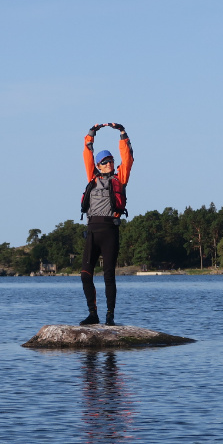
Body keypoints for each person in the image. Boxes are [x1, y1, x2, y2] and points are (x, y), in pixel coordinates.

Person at [80, 122, 133, 326]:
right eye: (105, 161)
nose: (109, 163)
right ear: (98, 165)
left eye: (111, 160)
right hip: (92, 232)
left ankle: (110, 316)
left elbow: (127, 159)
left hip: (110, 230)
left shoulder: (120, 178)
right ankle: (93, 314)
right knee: (86, 275)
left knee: (109, 275)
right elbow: (87, 154)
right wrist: (91, 134)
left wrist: (122, 134)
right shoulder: (92, 178)